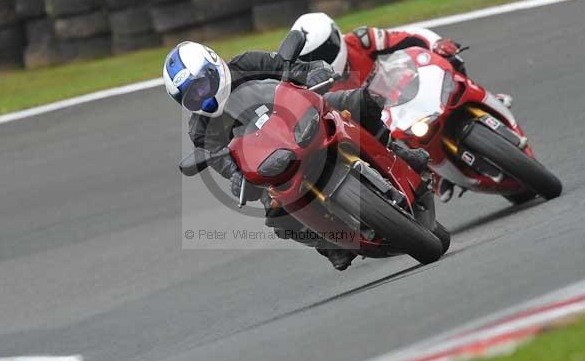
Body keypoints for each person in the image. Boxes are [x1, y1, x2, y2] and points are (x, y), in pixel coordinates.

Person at [163, 40, 430, 271]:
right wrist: (236, 176)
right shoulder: (200, 129)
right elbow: (223, 161)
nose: (203, 97)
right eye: (193, 97)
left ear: (215, 67)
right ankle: (330, 244)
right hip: (271, 159)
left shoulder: (246, 63)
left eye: (202, 85)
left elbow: (288, 67)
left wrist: (315, 71)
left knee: (361, 103)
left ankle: (399, 154)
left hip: (299, 117)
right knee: (276, 215)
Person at [290, 12, 513, 203]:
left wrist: (437, 44)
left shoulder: (361, 40)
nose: (321, 60)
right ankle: (433, 175)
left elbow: (413, 36)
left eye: (324, 51)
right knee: (385, 153)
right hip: (378, 122)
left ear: (335, 36)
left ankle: (483, 96)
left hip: (405, 89)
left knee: (451, 61)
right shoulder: (313, 85)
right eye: (310, 58)